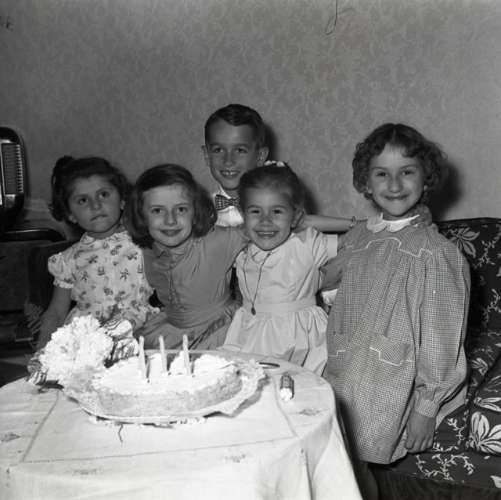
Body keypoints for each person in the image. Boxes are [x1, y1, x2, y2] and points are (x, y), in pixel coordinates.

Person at [322, 124, 470, 471]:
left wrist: (426, 407)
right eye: (382, 174)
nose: (394, 184)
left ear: (426, 177)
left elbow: (441, 340)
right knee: (333, 461)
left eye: (406, 172)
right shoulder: (358, 237)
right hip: (344, 369)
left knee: (360, 470)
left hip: (389, 381)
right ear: (366, 182)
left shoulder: (436, 254)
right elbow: (332, 288)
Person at [222, 163, 348, 374]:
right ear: (242, 214)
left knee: (300, 385)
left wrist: (361, 223)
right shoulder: (240, 247)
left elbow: (351, 241)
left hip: (299, 338)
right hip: (249, 331)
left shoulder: (306, 244)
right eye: (255, 211)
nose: (265, 221)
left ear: (295, 216)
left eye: (277, 211)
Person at [37, 156, 157, 350]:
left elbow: (173, 291)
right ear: (69, 213)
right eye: (83, 200)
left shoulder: (143, 244)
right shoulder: (68, 260)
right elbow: (57, 312)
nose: (95, 205)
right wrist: (42, 351)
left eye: (103, 194)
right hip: (88, 344)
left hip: (141, 336)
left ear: (122, 200)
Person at [126, 164, 249, 350]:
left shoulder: (215, 242)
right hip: (171, 330)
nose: (170, 220)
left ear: (195, 211)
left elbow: (258, 229)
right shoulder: (149, 250)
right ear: (142, 216)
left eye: (181, 209)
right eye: (157, 210)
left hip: (218, 331)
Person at [202, 103, 269, 227]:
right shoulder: (198, 212)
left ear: (260, 156)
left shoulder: (278, 211)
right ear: (207, 155)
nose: (228, 161)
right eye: (218, 150)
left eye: (240, 150)